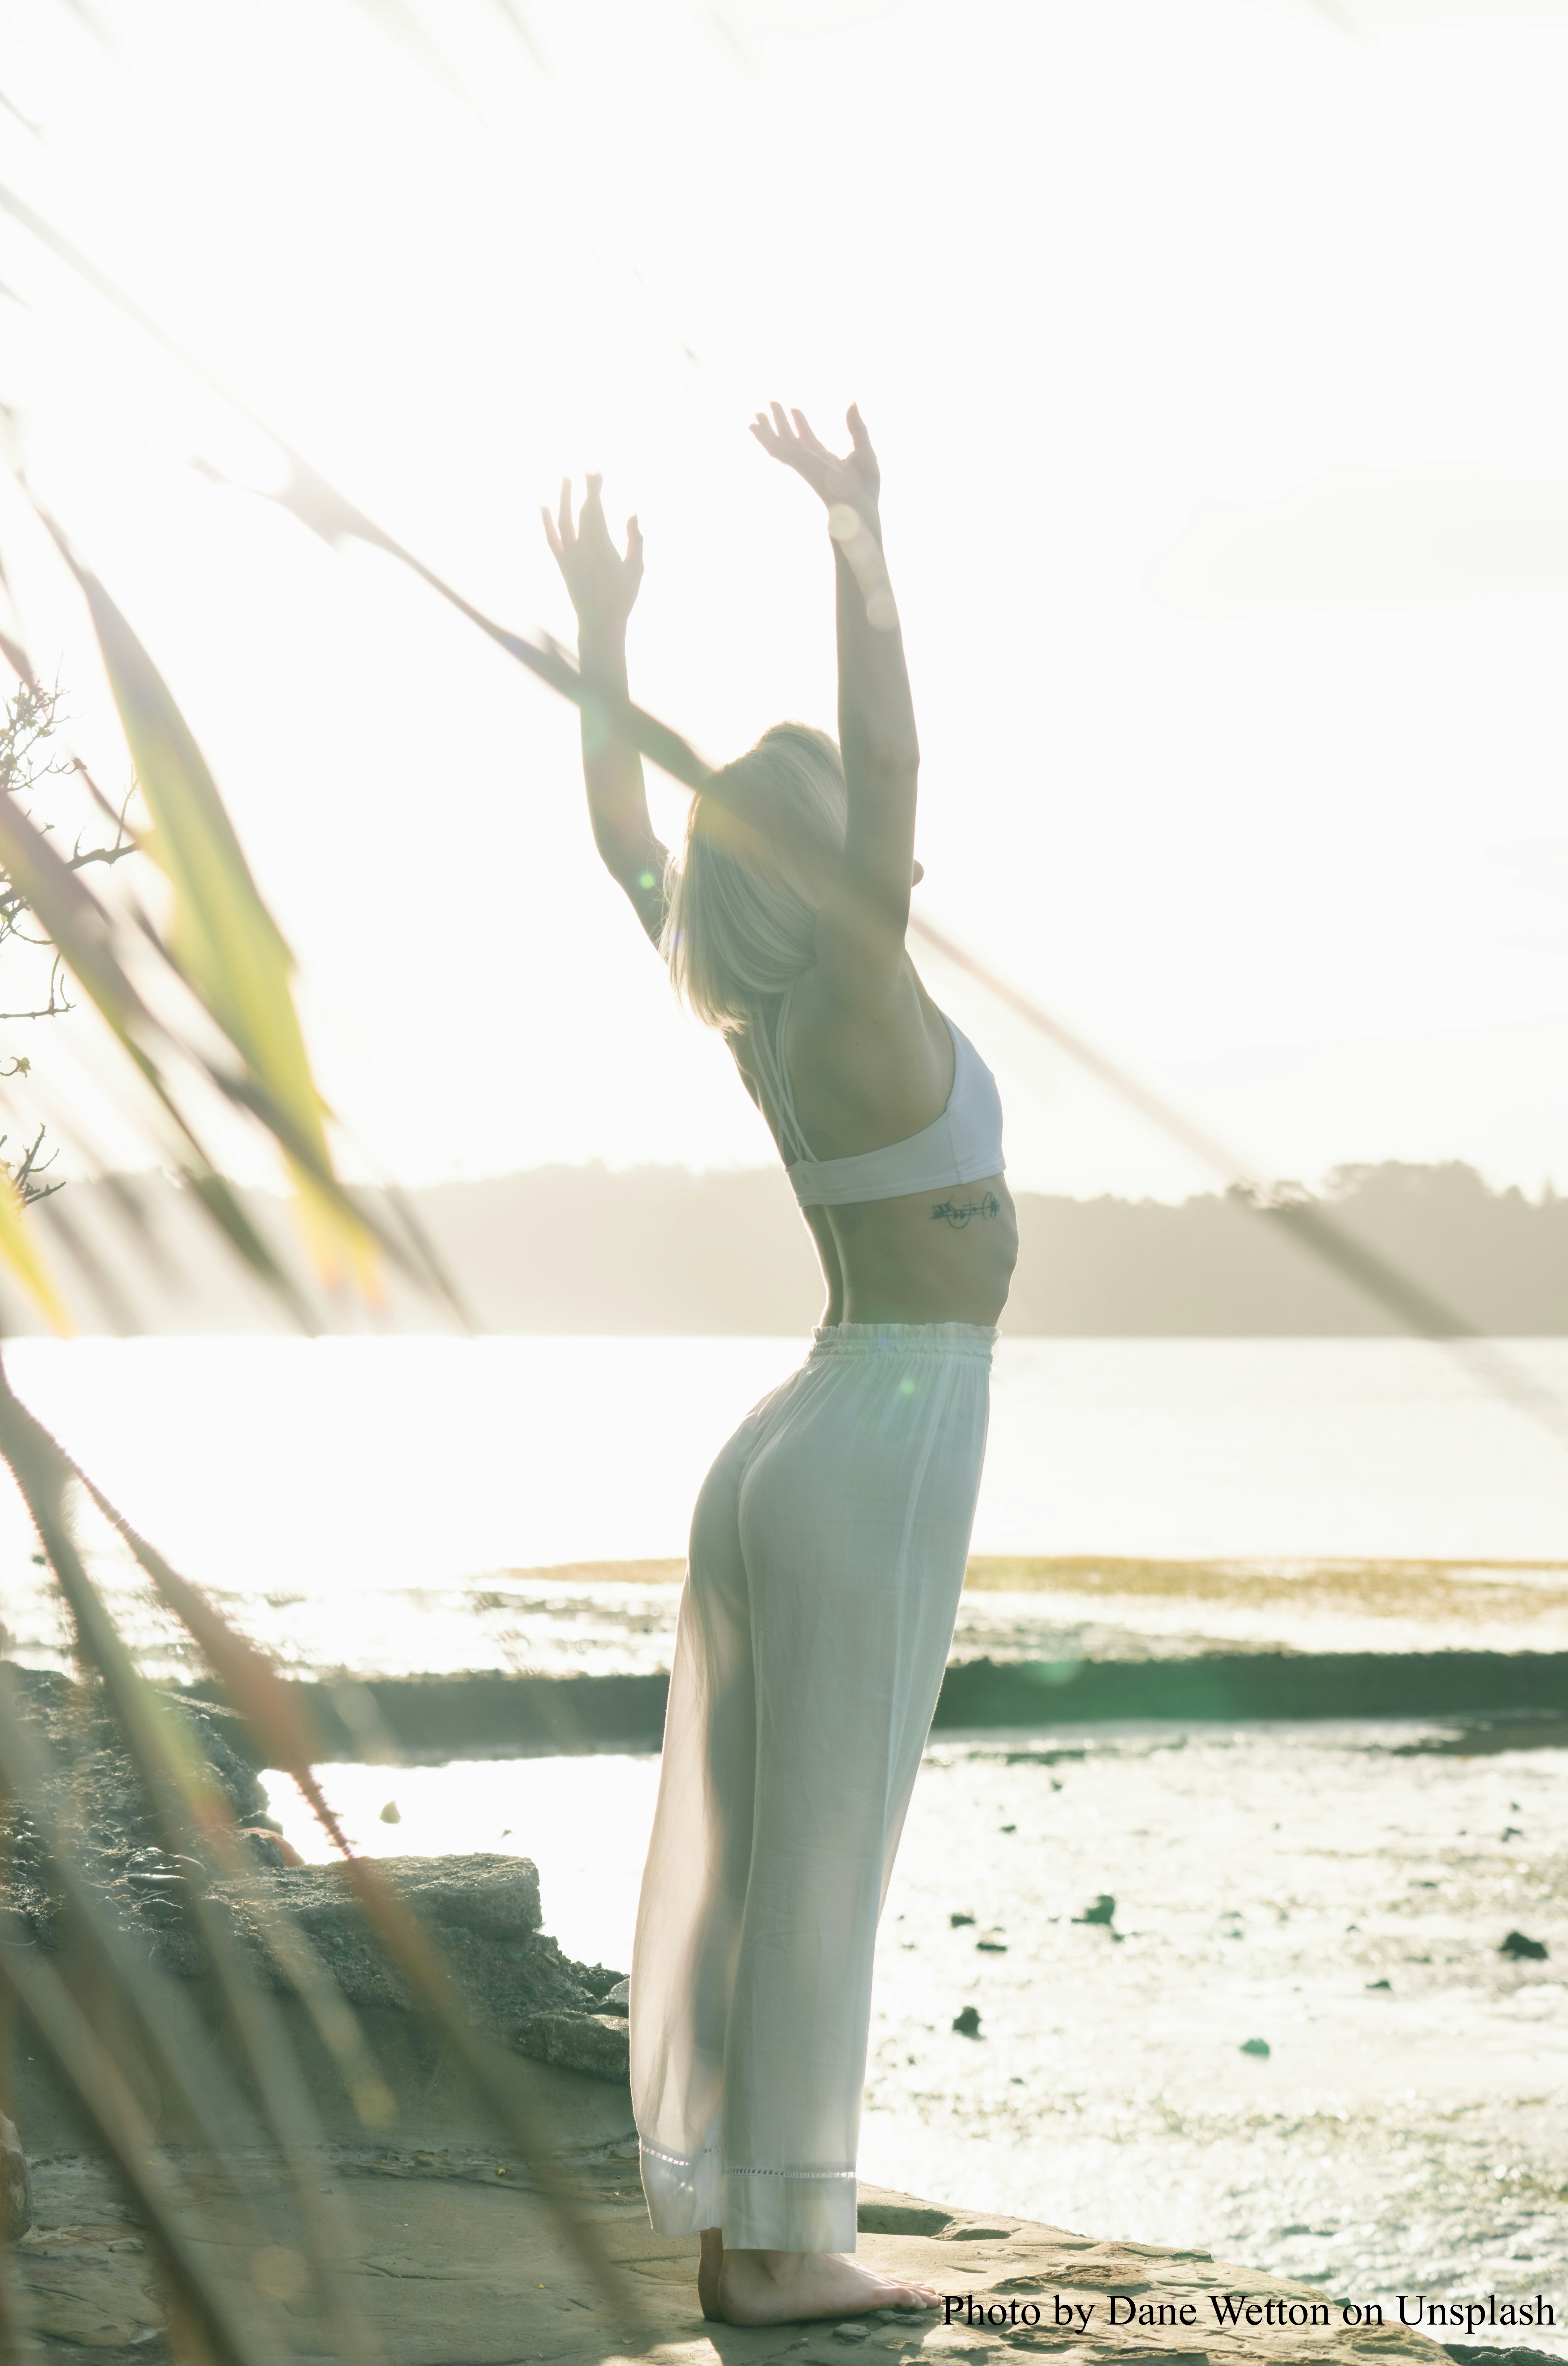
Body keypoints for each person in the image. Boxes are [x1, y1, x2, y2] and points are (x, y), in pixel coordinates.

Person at [543, 404, 1017, 2328]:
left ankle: (756, 2233)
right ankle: (782, 2252)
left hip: (801, 1432)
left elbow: (616, 835)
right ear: (822, 857)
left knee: (762, 1835)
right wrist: (854, 533)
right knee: (823, 1833)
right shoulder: (848, 979)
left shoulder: (755, 1002)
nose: (878, 818)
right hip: (884, 1423)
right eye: (844, 812)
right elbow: (891, 747)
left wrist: (600, 641)